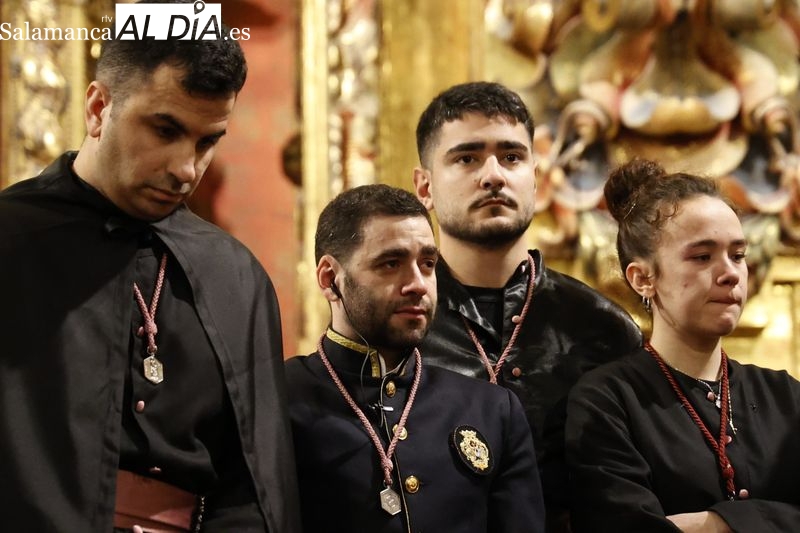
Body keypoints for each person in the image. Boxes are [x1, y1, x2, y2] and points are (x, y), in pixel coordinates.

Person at [0, 4, 300, 531]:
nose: (186, 169)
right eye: (165, 130)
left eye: (207, 141)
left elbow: (254, 489)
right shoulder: (9, 239)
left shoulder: (237, 278)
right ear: (98, 108)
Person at [411, 81, 643, 530]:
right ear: (425, 187)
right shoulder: (396, 325)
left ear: (535, 176)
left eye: (512, 157)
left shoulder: (604, 330)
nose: (493, 174)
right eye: (467, 158)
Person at [285, 184, 546, 532]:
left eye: (427, 263)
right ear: (330, 278)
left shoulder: (493, 409)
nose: (419, 284)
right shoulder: (278, 398)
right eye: (391, 263)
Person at [565, 158, 800, 532]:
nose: (729, 273)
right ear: (643, 278)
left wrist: (712, 525)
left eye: (738, 255)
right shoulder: (608, 401)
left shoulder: (784, 395)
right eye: (702, 257)